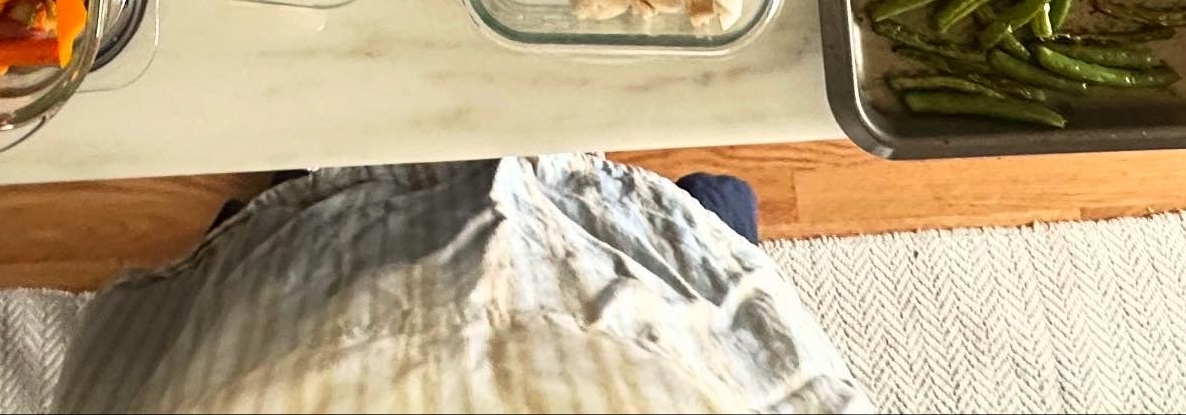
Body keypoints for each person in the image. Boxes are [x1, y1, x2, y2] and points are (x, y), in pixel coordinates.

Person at [52, 154, 872, 414]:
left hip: (289, 334)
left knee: (268, 240)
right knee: (713, 218)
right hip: (650, 353)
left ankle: (290, 204)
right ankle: (290, 203)